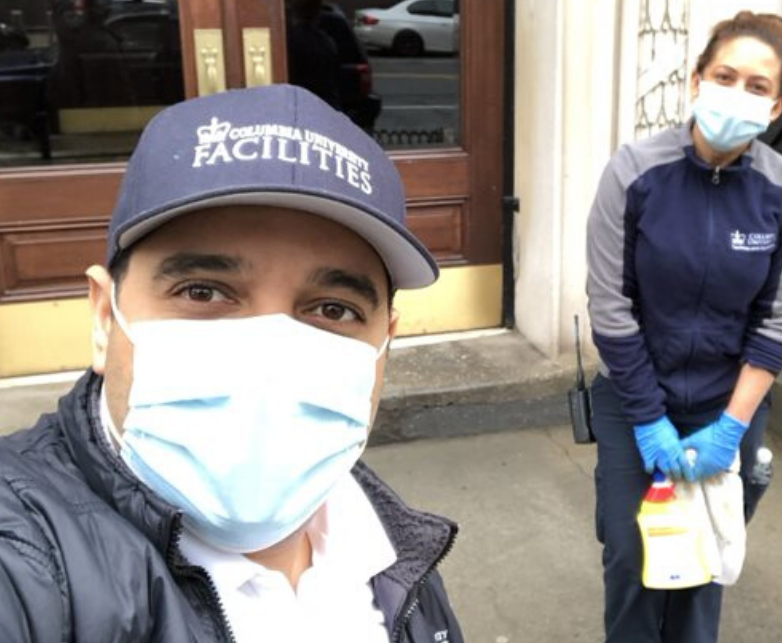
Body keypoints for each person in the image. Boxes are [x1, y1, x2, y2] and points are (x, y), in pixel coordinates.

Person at [0, 83, 463, 643]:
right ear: (104, 318)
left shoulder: (390, 541)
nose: (270, 354)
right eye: (203, 292)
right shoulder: (26, 555)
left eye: (333, 309)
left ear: (385, 340)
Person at [586, 11, 782, 643]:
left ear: (777, 106)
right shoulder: (633, 173)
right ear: (695, 81)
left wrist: (732, 429)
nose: (737, 94)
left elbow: (778, 324)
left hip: (728, 404)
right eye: (725, 75)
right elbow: (610, 309)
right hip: (634, 401)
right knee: (633, 560)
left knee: (702, 566)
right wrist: (648, 418)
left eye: (757, 86)